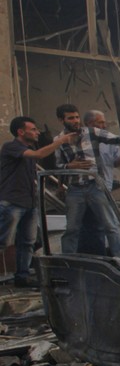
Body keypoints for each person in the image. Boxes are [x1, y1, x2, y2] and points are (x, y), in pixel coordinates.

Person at [55, 104, 120, 256]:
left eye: (77, 117)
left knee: (110, 225)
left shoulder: (92, 133)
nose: (76, 121)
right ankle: (68, 261)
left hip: (96, 186)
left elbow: (119, 139)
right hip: (75, 189)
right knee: (72, 229)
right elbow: (57, 166)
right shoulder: (58, 140)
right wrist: (68, 166)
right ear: (61, 120)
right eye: (71, 118)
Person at [0, 117, 76, 287]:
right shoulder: (11, 147)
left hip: (29, 203)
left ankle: (22, 277)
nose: (37, 132)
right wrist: (61, 140)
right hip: (11, 202)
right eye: (33, 129)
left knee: (27, 242)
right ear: (21, 132)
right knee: (3, 241)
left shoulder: (29, 148)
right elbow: (39, 154)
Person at [83, 110, 120, 190]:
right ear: (89, 123)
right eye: (100, 122)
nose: (104, 126)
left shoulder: (110, 140)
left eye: (104, 122)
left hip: (104, 185)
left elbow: (115, 163)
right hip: (83, 186)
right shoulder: (79, 140)